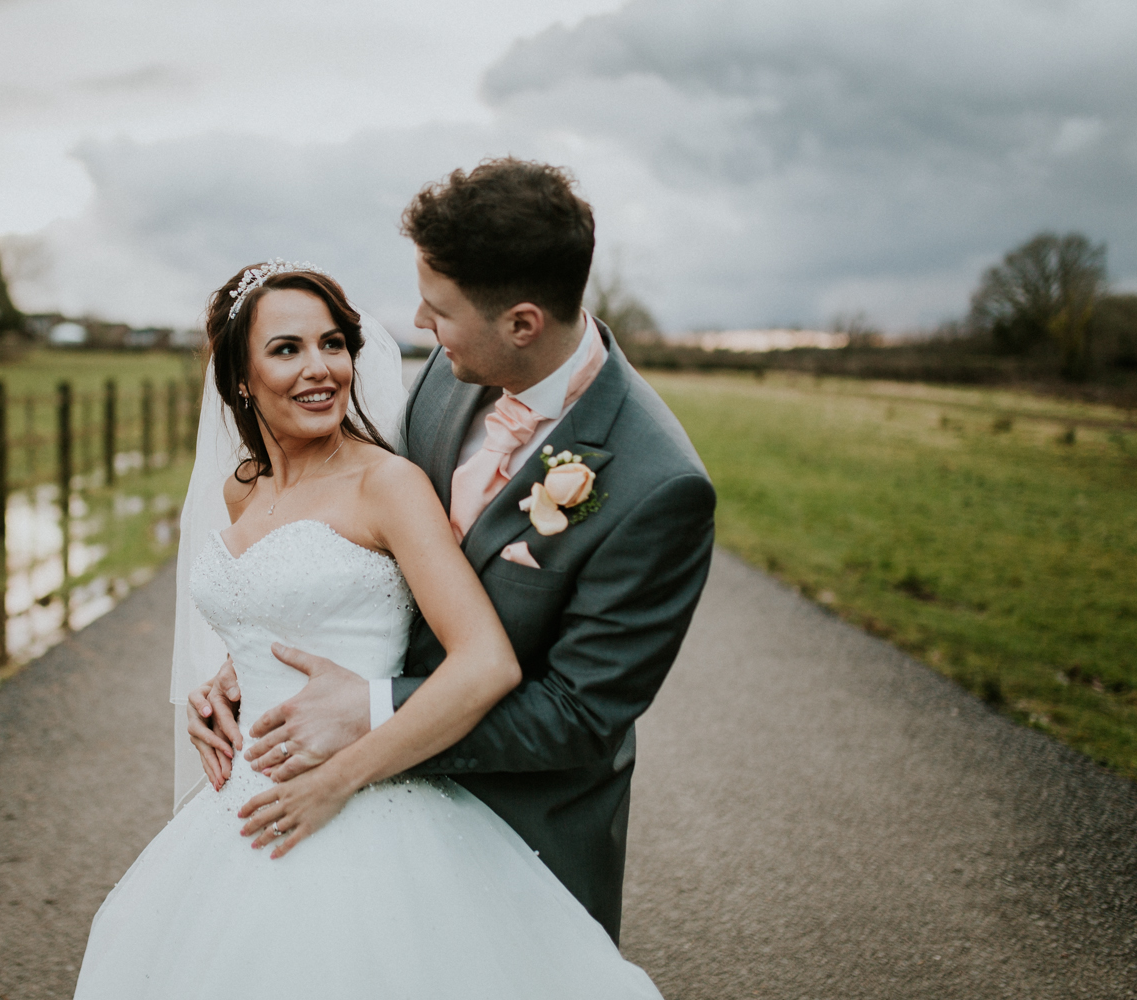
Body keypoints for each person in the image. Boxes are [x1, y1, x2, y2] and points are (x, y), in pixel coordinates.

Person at [73, 258, 663, 998]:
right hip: (238, 814)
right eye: (286, 350)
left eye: (333, 343)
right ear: (240, 380)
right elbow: (273, 611)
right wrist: (223, 683)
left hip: (365, 802)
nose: (320, 369)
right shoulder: (239, 487)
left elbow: (486, 663)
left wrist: (337, 782)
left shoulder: (387, 485)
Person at [190, 158, 716, 941]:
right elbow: (361, 557)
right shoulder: (454, 366)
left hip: (519, 819)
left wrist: (366, 720)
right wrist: (258, 661)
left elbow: (574, 716)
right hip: (335, 783)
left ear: (523, 323)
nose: (420, 325)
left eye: (439, 310)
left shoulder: (657, 485)